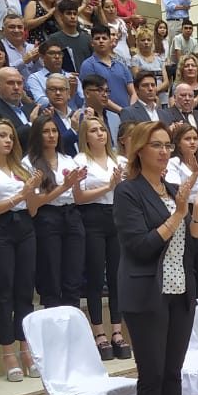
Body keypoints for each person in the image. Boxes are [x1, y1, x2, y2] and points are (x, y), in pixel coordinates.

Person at [115, 120, 198, 395]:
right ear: (139, 150)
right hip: (147, 294)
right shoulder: (128, 192)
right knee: (152, 375)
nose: (163, 152)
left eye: (166, 146)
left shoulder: (176, 189)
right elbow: (139, 247)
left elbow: (196, 249)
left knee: (174, 373)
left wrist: (197, 213)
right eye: (155, 145)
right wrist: (178, 213)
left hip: (181, 291)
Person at [0, 118, 42, 382]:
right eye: (2, 135)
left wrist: (32, 191)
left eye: (11, 137)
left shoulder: (21, 167)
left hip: (24, 225)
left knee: (25, 290)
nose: (8, 141)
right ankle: (7, 353)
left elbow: (33, 208)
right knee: (4, 290)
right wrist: (21, 195)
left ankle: (26, 349)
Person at [75, 115, 131, 359]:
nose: (100, 133)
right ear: (85, 137)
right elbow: (79, 197)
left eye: (102, 129)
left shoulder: (119, 160)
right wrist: (109, 186)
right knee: (96, 276)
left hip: (117, 216)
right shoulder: (79, 161)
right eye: (94, 130)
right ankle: (98, 331)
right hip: (92, 217)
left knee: (118, 274)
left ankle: (117, 330)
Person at [24, 113, 90, 308]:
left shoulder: (69, 160)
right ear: (37, 135)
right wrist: (64, 186)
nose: (52, 135)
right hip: (46, 218)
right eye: (46, 131)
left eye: (54, 131)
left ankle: (72, 326)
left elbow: (77, 196)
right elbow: (34, 203)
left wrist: (76, 183)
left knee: (73, 275)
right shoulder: (28, 163)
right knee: (50, 276)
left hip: (71, 215)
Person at [0, 66, 38, 144]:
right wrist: (31, 124)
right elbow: (0, 141)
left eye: (19, 83)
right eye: (10, 83)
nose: (16, 87)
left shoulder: (32, 108)